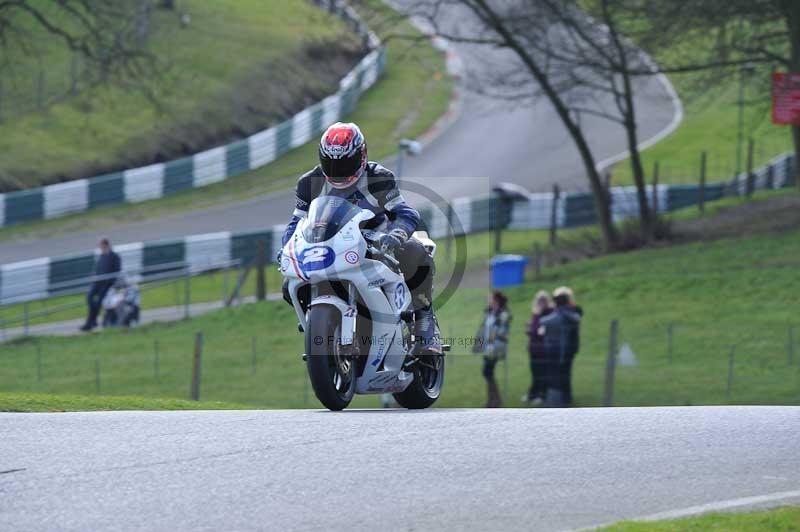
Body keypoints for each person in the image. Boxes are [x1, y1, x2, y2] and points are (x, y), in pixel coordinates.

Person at [279, 122, 440, 354]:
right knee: (289, 286)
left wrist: (396, 235)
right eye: (331, 163)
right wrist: (287, 247)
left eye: (345, 162)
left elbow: (405, 213)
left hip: (377, 246)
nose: (338, 169)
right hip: (331, 247)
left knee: (416, 252)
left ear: (361, 155)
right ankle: (319, 323)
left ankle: (424, 324)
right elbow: (296, 223)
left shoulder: (379, 177)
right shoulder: (309, 183)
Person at [539, 287, 581, 406]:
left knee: (559, 376)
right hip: (566, 349)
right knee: (563, 375)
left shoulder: (561, 314)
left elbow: (544, 321)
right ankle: (564, 399)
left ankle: (560, 401)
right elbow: (481, 332)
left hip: (561, 350)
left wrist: (480, 348)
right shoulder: (570, 313)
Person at [473, 291, 512, 408]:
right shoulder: (489, 313)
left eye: (490, 299)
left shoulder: (503, 314)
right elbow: (483, 330)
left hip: (496, 347)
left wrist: (493, 336)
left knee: (487, 372)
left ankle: (495, 400)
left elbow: (502, 330)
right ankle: (492, 400)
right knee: (487, 373)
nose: (488, 301)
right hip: (487, 348)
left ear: (496, 301)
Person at [80, 238, 121, 332]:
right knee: (89, 297)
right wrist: (94, 278)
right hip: (98, 283)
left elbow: (117, 272)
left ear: (105, 245)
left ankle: (90, 323)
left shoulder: (115, 256)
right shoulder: (101, 256)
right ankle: (92, 321)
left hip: (107, 284)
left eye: (101, 246)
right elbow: (97, 270)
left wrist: (111, 282)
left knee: (98, 302)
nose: (100, 248)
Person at [522, 290, 553, 406]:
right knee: (535, 372)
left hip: (544, 349)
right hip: (534, 348)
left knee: (543, 373)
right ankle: (533, 393)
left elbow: (538, 331)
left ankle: (542, 395)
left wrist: (535, 320)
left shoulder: (549, 313)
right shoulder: (536, 313)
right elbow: (534, 330)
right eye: (539, 301)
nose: (541, 303)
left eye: (543, 301)